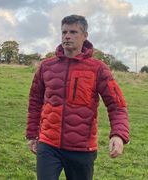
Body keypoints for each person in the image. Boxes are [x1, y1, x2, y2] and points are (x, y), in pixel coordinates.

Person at [26, 14, 129, 180]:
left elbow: (116, 105)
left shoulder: (98, 69)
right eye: (64, 32)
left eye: (73, 32)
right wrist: (32, 134)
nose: (67, 36)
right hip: (48, 145)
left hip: (82, 149)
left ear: (85, 36)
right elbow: (35, 102)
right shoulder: (46, 66)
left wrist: (118, 134)